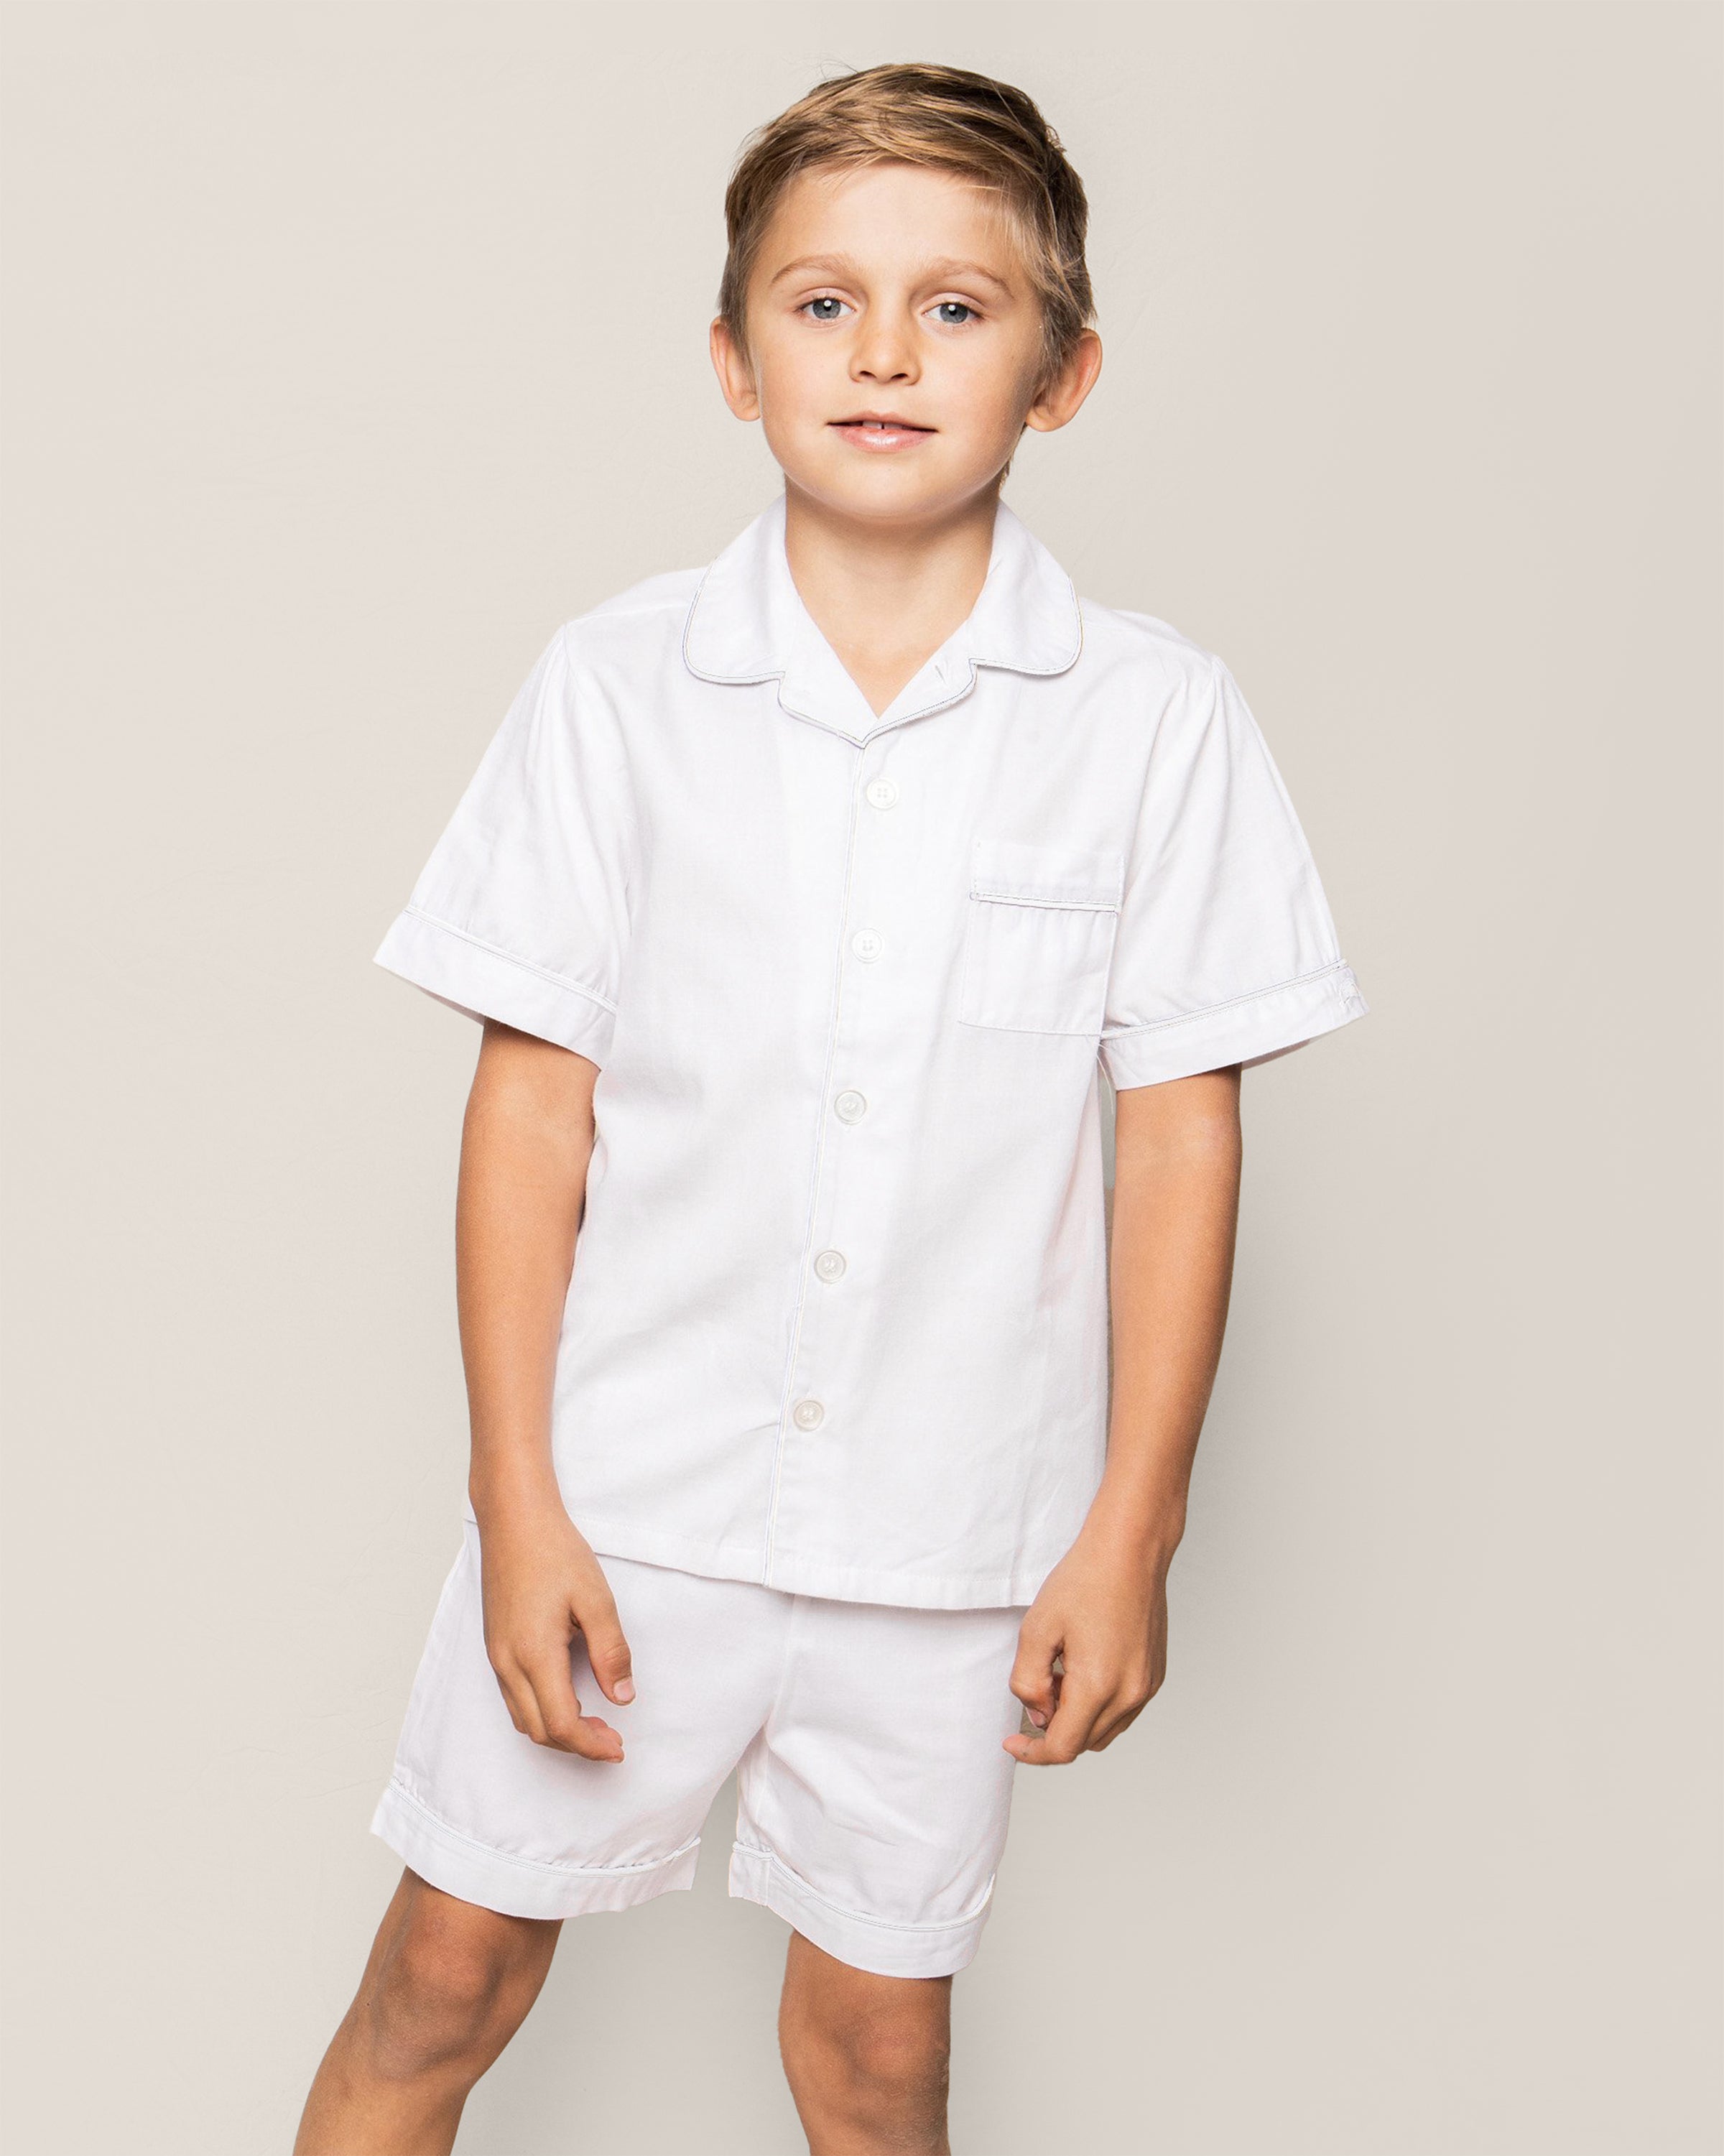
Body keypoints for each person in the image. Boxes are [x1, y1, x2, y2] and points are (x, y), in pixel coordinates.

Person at [295, 60, 1367, 2156]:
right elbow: (532, 1111)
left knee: (879, 2056)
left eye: (958, 307)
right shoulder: (615, 692)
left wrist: (1128, 1527)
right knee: (442, 1971)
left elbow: (1179, 1130)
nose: (885, 352)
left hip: (952, 1531)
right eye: (823, 302)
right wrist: (519, 1493)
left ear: (1059, 376)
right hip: (627, 1499)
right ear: (731, 355)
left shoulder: (1156, 723)